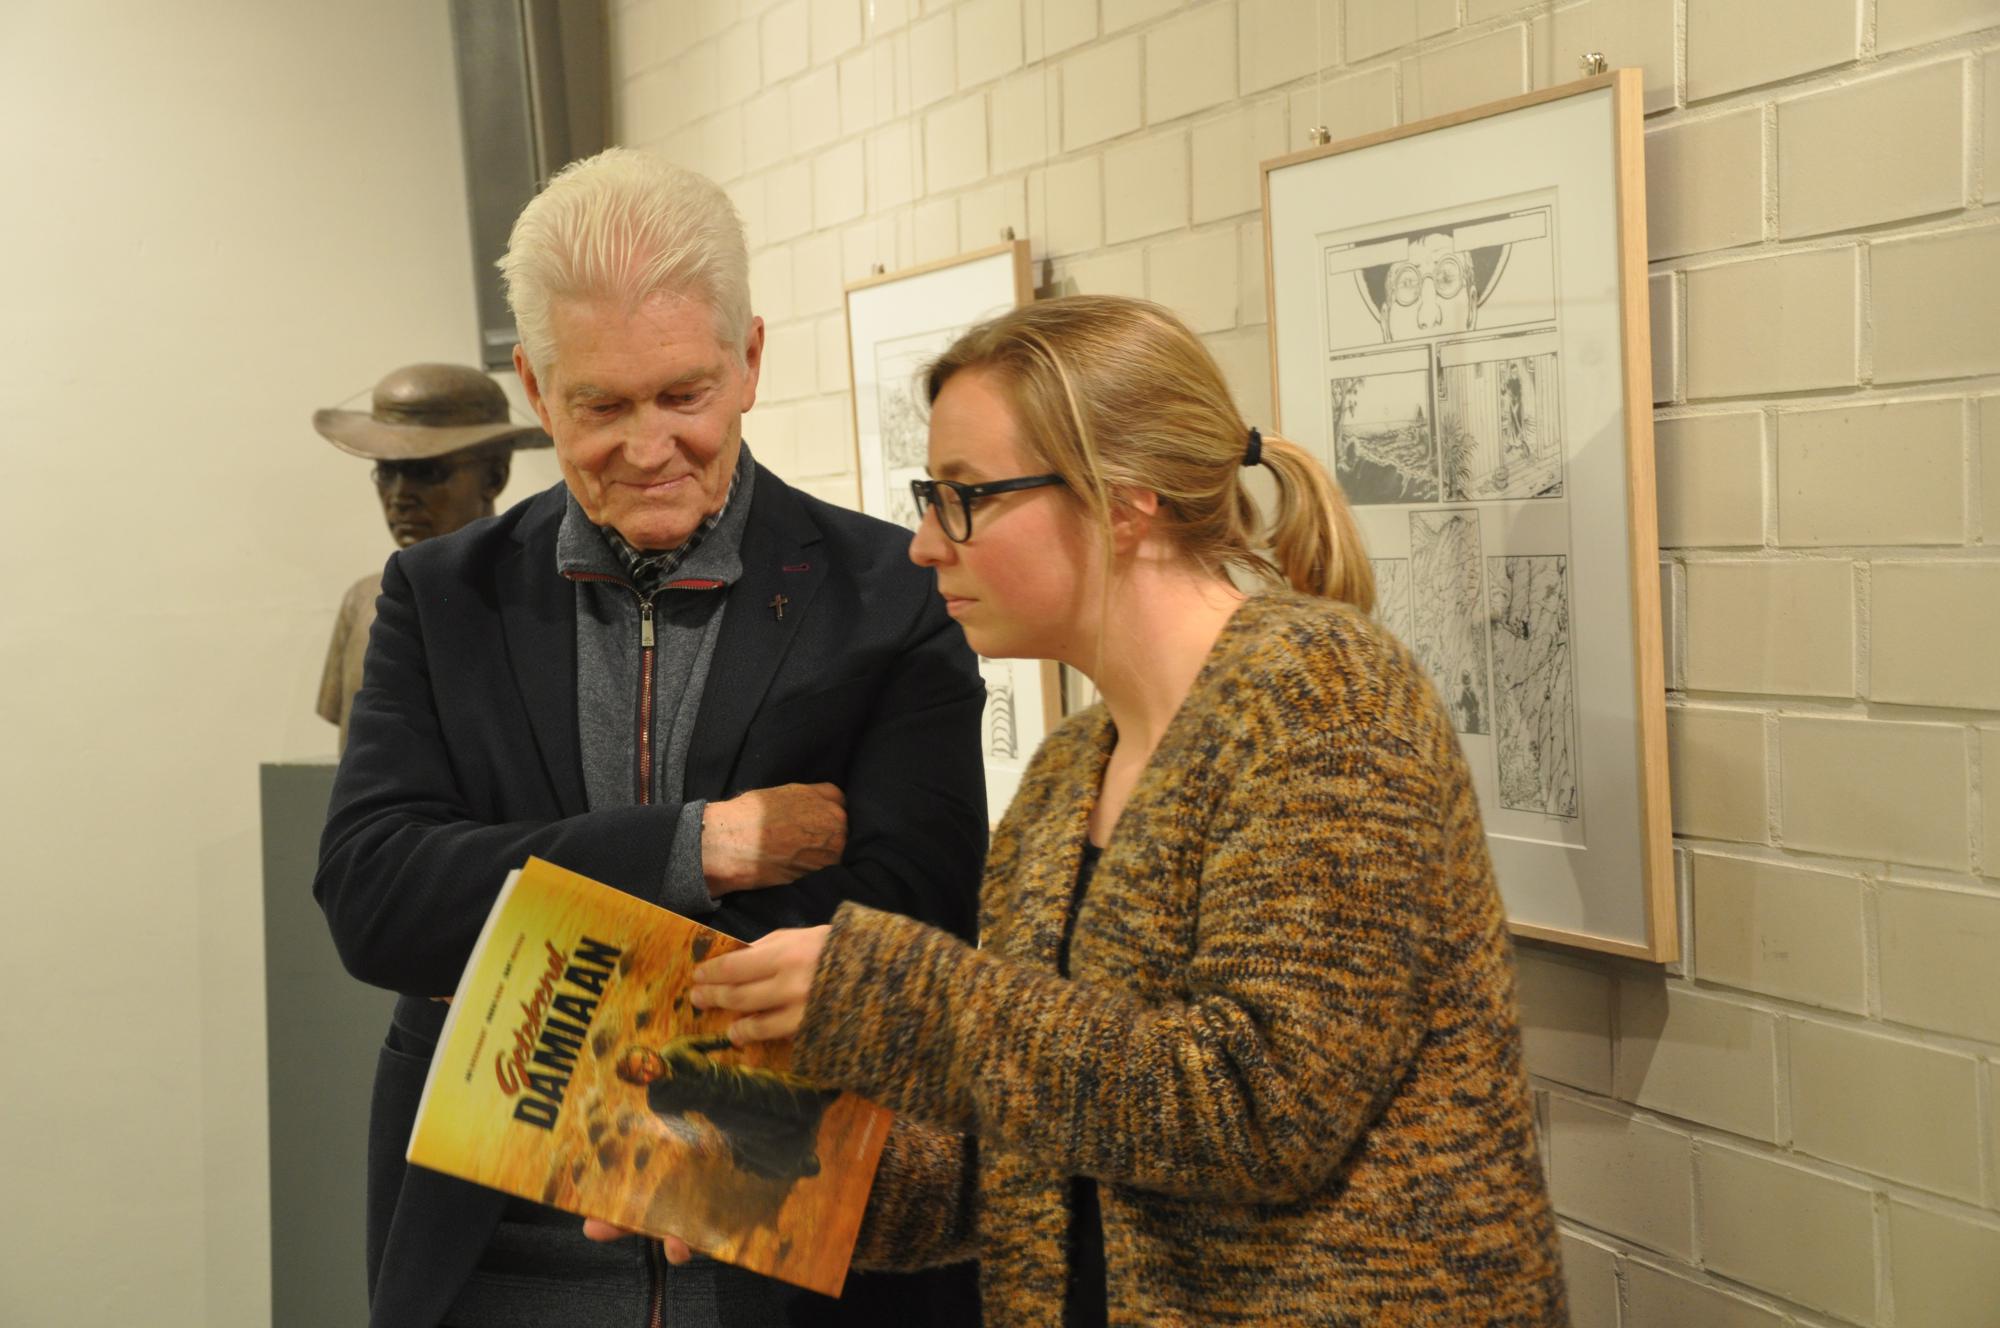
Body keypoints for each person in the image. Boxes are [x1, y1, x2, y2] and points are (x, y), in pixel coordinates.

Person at [687, 295, 1568, 1324]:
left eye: (963, 496)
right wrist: (754, 1170)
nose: (924, 544)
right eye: (931, 496)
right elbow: (1039, 1137)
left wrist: (889, 990)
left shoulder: (1321, 696)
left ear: (1122, 499)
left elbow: (1260, 1106)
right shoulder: (1067, 773)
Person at [314, 148, 987, 1328]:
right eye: (600, 404)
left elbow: (909, 920)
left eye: (682, 395)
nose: (646, 446)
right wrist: (695, 847)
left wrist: (521, 902)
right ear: (533, 382)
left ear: (750, 361)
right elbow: (375, 899)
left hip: (782, 1249)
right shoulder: (437, 596)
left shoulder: (890, 595)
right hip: (495, 1260)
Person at [311, 362, 549, 750]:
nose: (400, 495)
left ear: (494, 477)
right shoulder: (364, 603)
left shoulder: (539, 604)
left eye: (427, 472)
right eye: (387, 472)